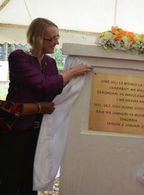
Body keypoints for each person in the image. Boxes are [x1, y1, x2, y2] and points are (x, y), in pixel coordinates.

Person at [0, 17, 92, 195]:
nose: (57, 43)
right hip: (16, 129)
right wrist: (72, 73)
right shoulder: (18, 57)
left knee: (32, 178)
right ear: (36, 38)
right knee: (11, 178)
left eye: (58, 37)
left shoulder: (50, 63)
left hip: (40, 130)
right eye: (52, 39)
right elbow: (43, 85)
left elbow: (54, 90)